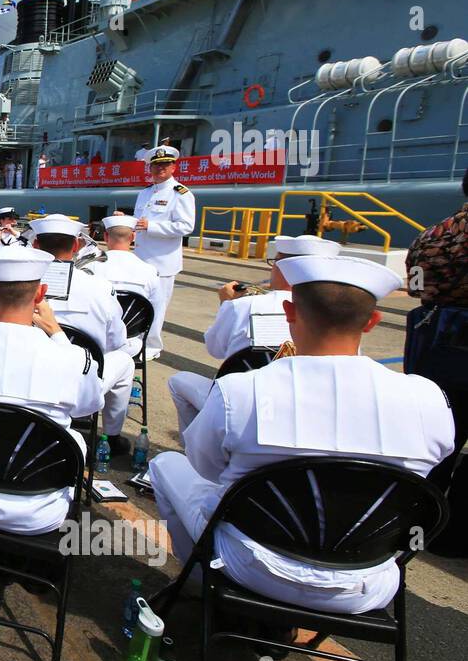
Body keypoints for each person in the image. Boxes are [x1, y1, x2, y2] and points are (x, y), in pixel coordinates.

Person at [150, 255, 455, 613]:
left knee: (167, 464)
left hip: (251, 563)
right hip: (364, 582)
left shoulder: (242, 390)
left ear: (289, 312)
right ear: (373, 321)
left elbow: (205, 468)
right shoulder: (427, 399)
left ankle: (201, 585)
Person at [0, 247, 104, 533]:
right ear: (41, 294)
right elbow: (89, 406)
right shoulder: (71, 358)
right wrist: (59, 335)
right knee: (75, 436)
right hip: (41, 511)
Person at [168, 235, 341, 431]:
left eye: (274, 263)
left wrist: (227, 304)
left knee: (178, 382)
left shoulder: (243, 306)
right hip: (310, 413)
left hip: (245, 407)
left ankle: (194, 448)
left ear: (283, 268)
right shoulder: (339, 318)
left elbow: (215, 349)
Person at [405, 172, 468, 554]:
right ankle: (454, 539)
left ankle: (413, 523)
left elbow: (413, 286)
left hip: (438, 346)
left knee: (435, 441)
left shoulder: (431, 235)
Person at [33, 215, 134, 454]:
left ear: (36, 244)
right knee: (125, 361)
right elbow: (116, 341)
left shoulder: (23, 284)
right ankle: (112, 436)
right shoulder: (100, 286)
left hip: (33, 374)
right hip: (82, 382)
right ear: (76, 245)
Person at [125, 144, 195, 359]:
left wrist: (152, 227)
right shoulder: (145, 193)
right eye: (156, 166)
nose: (159, 169)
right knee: (139, 302)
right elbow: (139, 222)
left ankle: (152, 346)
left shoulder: (181, 194)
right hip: (141, 259)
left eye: (165, 165)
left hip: (163, 262)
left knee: (157, 305)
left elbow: (186, 226)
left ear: (174, 167)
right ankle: (136, 340)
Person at [98, 215, 161, 354]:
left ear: (105, 236)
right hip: (131, 345)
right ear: (133, 237)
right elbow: (156, 313)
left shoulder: (91, 268)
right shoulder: (150, 271)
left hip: (97, 343)